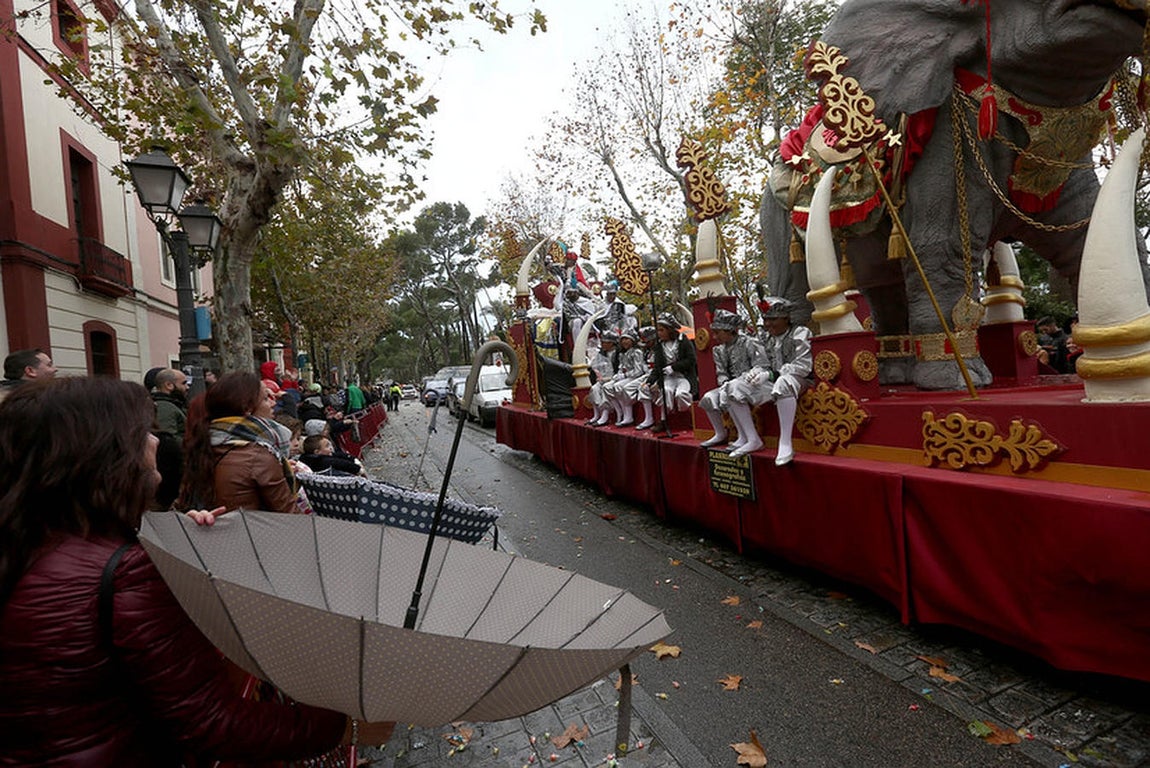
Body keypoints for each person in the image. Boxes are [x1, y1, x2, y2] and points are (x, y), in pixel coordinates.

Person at [0, 376, 393, 765]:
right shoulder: (128, 572)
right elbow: (211, 723)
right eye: (142, 432)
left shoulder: (29, 542)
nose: (156, 442)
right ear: (103, 453)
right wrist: (342, 727)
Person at [178, 372, 302, 515]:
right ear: (247, 408)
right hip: (253, 528)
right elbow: (290, 515)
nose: (273, 403)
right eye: (266, 398)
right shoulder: (257, 456)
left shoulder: (202, 443)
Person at [725, 298, 813, 464]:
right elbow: (763, 363)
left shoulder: (800, 333)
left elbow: (804, 366)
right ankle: (752, 439)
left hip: (799, 381)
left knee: (783, 382)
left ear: (786, 318)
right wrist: (756, 372)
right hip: (773, 382)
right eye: (765, 319)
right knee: (733, 387)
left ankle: (785, 442)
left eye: (772, 319)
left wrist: (773, 374)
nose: (767, 324)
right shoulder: (766, 338)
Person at [699, 309, 763, 449]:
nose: (715, 337)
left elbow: (759, 366)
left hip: (751, 383)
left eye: (718, 333)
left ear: (729, 331)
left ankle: (746, 437)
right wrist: (724, 383)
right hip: (729, 384)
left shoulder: (749, 343)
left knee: (732, 390)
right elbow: (721, 372)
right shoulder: (719, 350)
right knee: (708, 398)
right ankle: (720, 433)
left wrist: (742, 380)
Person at [636, 313, 698, 430]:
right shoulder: (659, 346)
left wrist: (674, 367)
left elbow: (691, 360)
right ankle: (663, 420)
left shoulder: (683, 341)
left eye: (661, 330)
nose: (659, 333)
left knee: (681, 394)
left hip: (683, 377)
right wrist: (649, 382)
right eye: (658, 330)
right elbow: (657, 367)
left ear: (669, 330)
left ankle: (689, 417)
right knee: (666, 391)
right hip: (668, 378)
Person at [603, 328, 646, 427]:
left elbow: (638, 371)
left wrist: (625, 375)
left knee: (618, 386)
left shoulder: (637, 352)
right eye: (622, 339)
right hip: (625, 377)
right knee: (607, 387)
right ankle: (620, 412)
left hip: (634, 377)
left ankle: (628, 415)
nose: (624, 342)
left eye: (627, 339)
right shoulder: (622, 354)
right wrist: (618, 375)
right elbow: (621, 367)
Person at [586, 331, 619, 426]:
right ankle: (597, 414)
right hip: (603, 378)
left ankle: (605, 414)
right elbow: (596, 364)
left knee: (605, 388)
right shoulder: (602, 353)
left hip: (615, 378)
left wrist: (610, 378)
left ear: (611, 343)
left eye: (605, 342)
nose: (603, 344)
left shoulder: (617, 353)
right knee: (594, 389)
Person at [299, 435, 365, 476]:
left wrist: (352, 458)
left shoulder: (309, 457)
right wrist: (358, 469)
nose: (330, 447)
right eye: (327, 446)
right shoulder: (323, 461)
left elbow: (337, 455)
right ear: (317, 452)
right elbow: (342, 463)